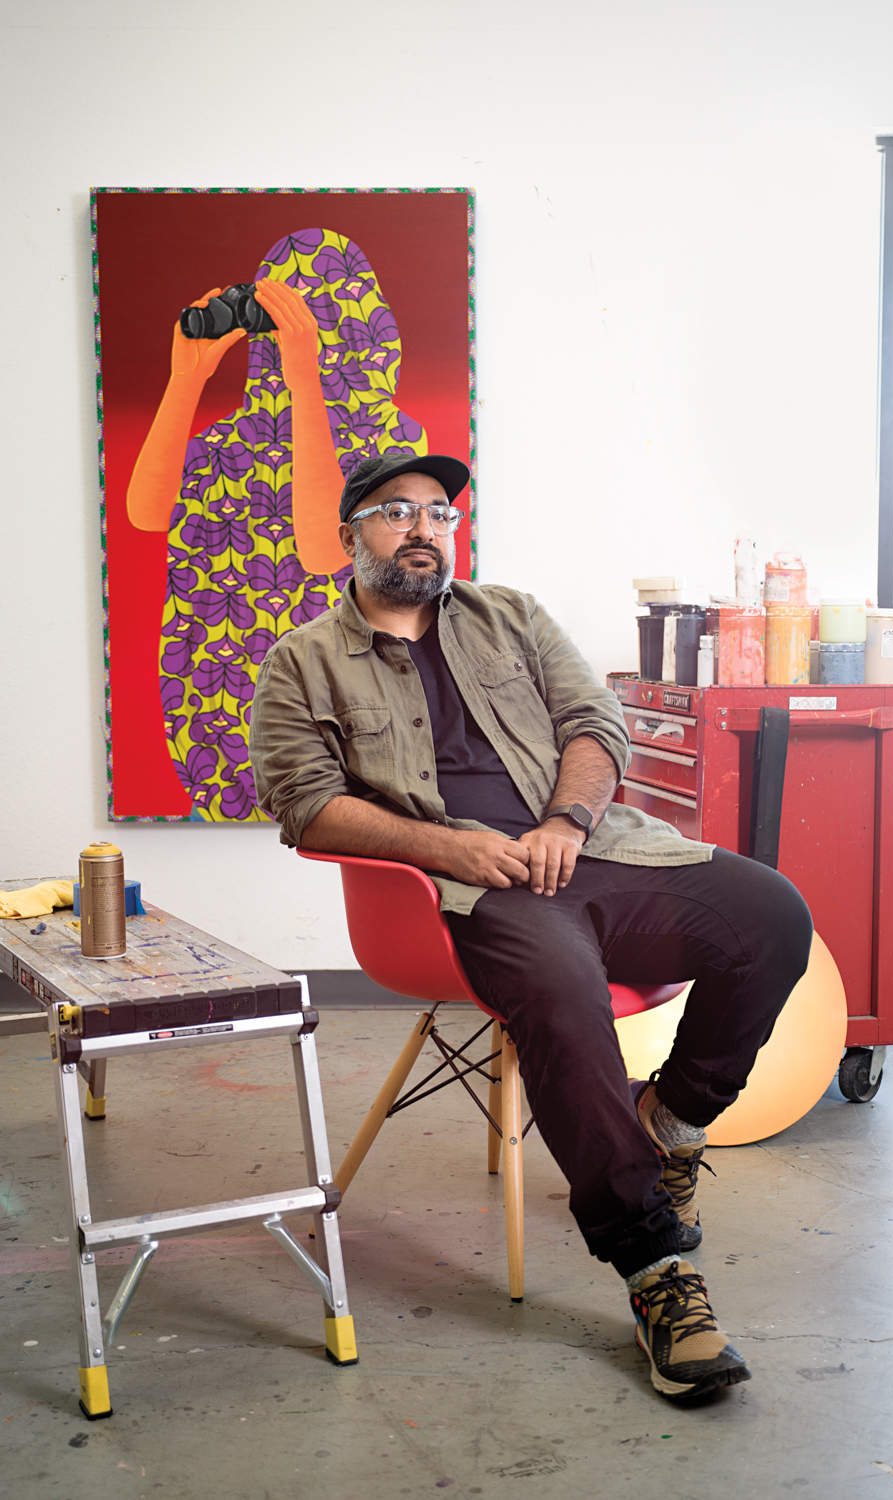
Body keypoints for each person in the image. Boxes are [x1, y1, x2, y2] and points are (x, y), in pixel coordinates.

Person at [248, 451, 813, 1403]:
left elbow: (597, 723)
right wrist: (448, 849)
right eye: (396, 512)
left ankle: (668, 1123)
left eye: (440, 512)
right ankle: (656, 1272)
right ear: (349, 536)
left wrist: (566, 821)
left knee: (770, 913)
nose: (425, 528)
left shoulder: (511, 613)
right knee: (560, 988)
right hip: (467, 892)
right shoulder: (300, 661)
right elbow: (305, 805)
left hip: (592, 852)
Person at [127, 228, 428, 820]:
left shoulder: (396, 444)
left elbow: (322, 549)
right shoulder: (230, 438)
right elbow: (146, 511)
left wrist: (305, 384)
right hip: (215, 703)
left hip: (326, 707)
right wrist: (187, 378)